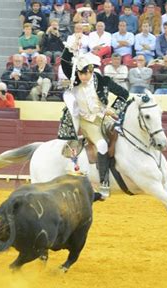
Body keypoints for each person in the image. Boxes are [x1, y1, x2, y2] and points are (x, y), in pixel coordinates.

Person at [59, 46, 130, 198]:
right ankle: (104, 183)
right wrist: (69, 48)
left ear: (92, 71)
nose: (83, 77)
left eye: (86, 73)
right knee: (102, 144)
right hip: (86, 121)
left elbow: (124, 93)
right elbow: (65, 63)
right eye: (80, 73)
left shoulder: (102, 81)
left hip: (103, 117)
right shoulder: (75, 81)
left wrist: (114, 110)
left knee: (122, 133)